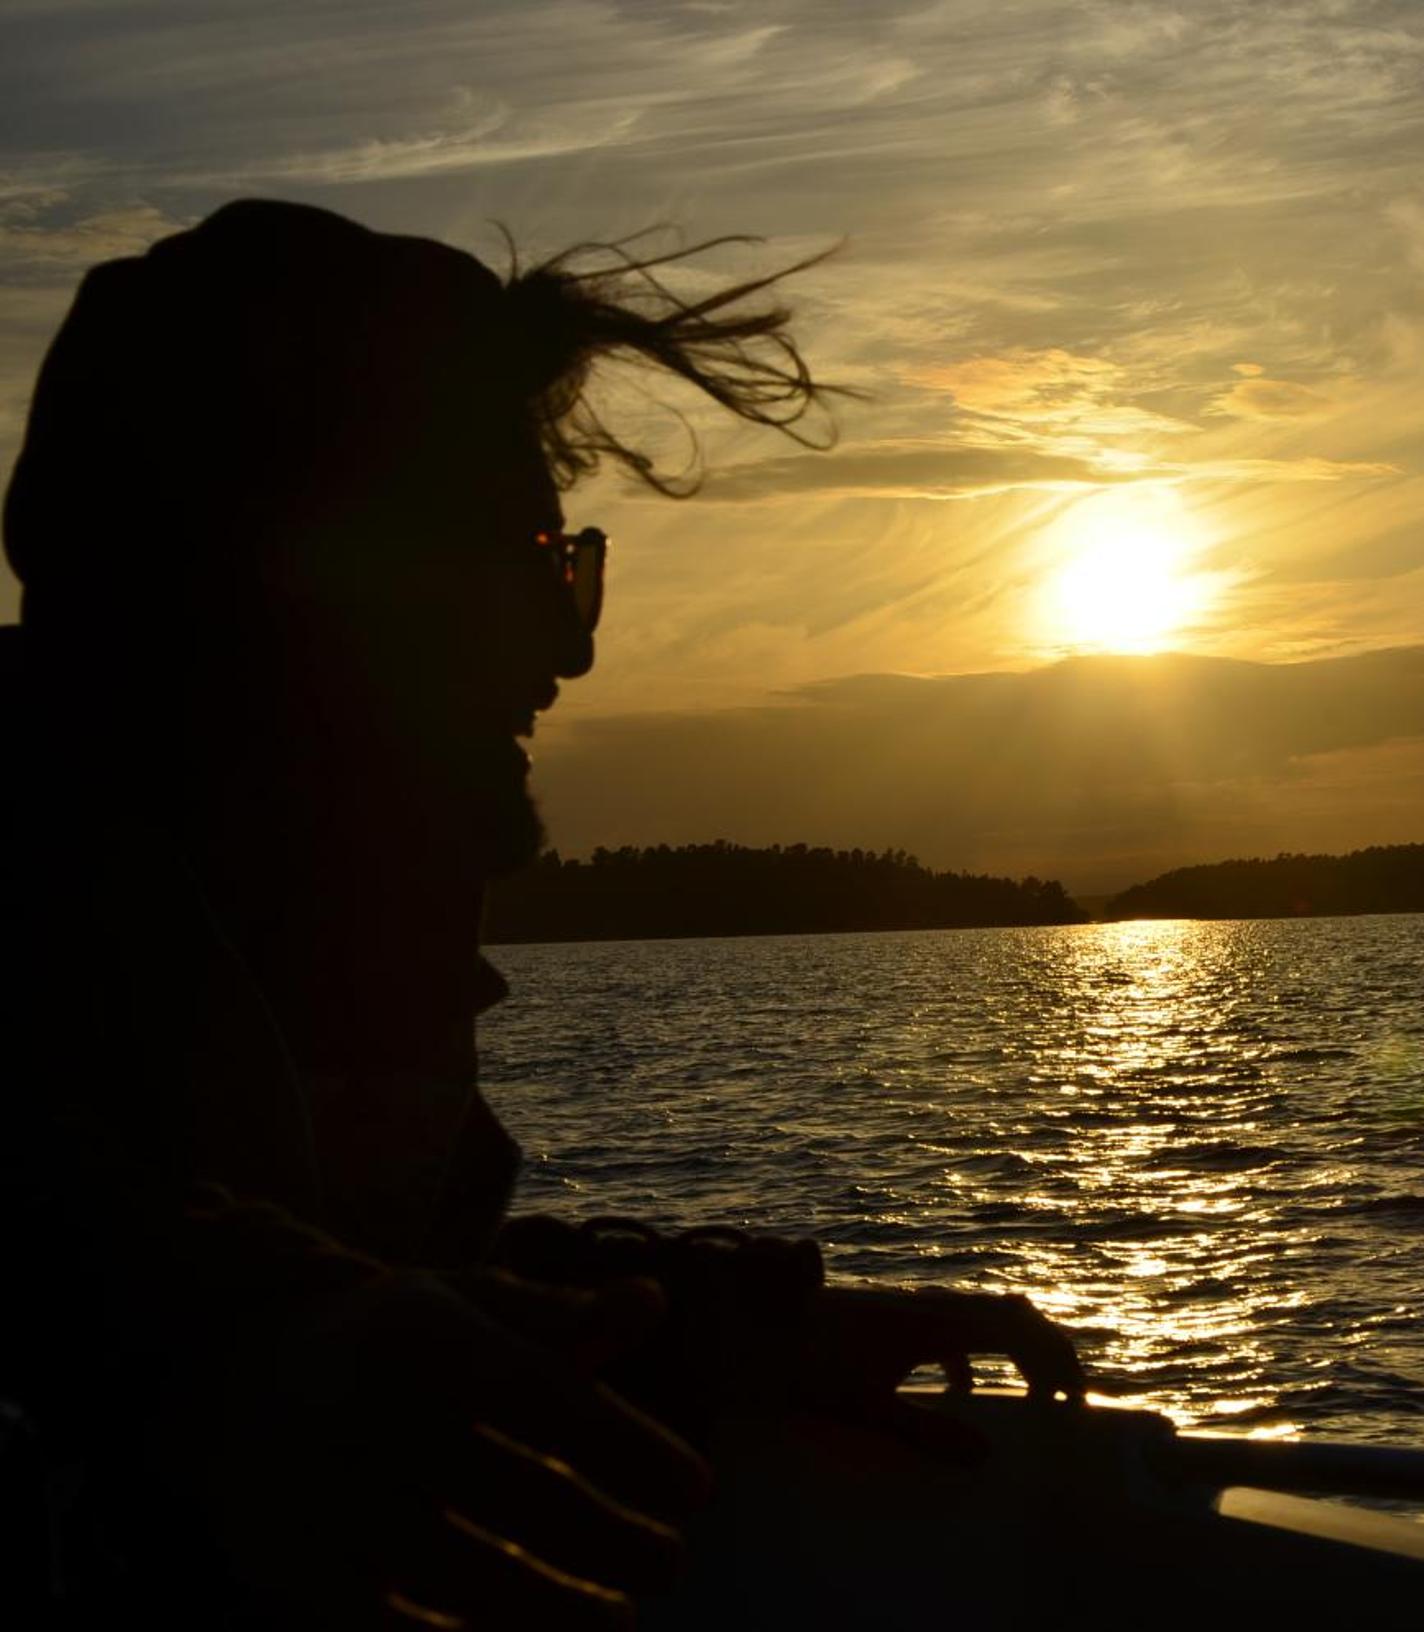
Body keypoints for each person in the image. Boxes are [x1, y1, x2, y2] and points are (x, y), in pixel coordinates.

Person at [0, 199, 1083, 1627]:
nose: (562, 654)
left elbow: (371, 1293)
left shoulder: (293, 945)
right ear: (282, 577)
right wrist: (213, 1339)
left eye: (570, 569)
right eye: (515, 562)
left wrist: (721, 1338)